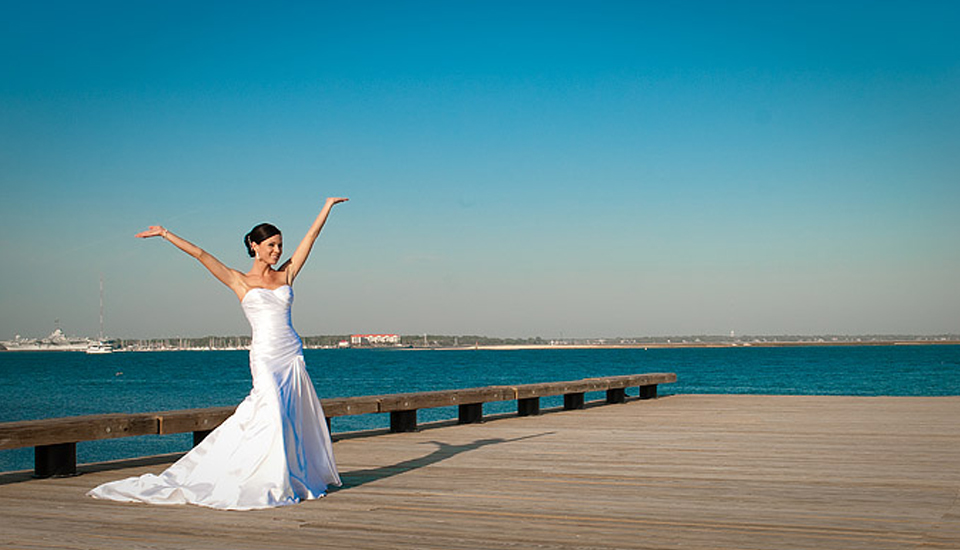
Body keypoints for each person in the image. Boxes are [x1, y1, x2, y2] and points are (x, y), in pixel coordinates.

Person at [88, 197, 349, 510]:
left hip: (291, 354)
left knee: (289, 416)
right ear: (254, 245)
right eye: (271, 245)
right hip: (265, 356)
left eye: (280, 245)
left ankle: (286, 476)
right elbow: (201, 255)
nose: (277, 251)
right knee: (271, 413)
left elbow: (311, 238)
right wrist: (165, 233)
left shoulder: (286, 275)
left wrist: (327, 206)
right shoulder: (239, 279)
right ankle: (263, 478)